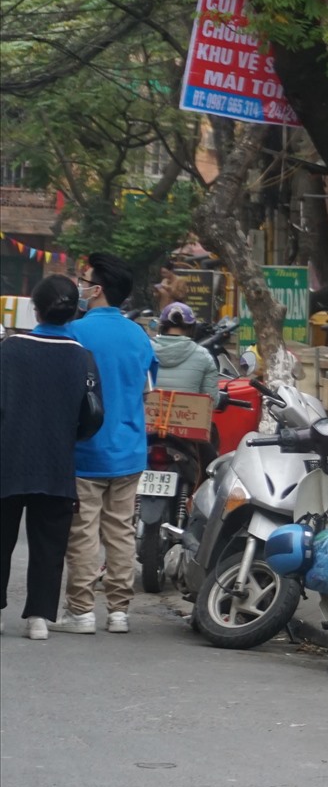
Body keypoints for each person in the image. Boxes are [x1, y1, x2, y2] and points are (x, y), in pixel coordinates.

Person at [55, 253, 156, 635]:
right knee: (121, 531)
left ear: (96, 289)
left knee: (82, 531)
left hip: (85, 451)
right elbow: (146, 390)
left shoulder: (74, 333)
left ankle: (81, 611)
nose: (79, 286)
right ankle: (119, 612)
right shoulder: (140, 336)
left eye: (84, 280)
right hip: (129, 449)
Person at [0, 276, 103, 640]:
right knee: (48, 543)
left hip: (7, 459)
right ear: (74, 312)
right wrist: (67, 438)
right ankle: (39, 619)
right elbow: (93, 415)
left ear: (35, 308)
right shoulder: (82, 356)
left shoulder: (8, 349)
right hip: (57, 462)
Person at [152, 303, 219, 402]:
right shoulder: (203, 356)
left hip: (149, 415)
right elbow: (211, 402)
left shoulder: (145, 349)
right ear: (192, 328)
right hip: (187, 416)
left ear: (161, 326)